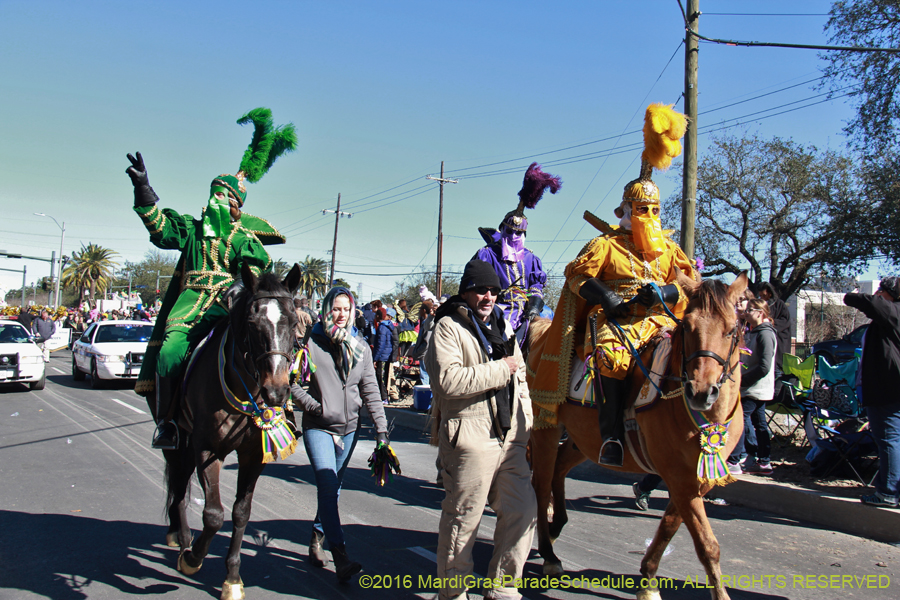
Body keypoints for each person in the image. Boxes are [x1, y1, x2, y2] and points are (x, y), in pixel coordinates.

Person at [529, 104, 696, 467]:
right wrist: (606, 296)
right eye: (640, 209)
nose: (647, 216)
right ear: (625, 210)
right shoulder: (605, 245)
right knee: (609, 358)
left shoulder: (670, 250)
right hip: (614, 323)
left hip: (660, 320)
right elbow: (576, 276)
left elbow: (688, 285)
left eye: (654, 210)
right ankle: (611, 437)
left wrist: (664, 293)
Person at [126, 107, 297, 449]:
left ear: (236, 205)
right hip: (190, 306)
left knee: (267, 344)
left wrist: (238, 292)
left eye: (222, 195)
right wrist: (145, 189)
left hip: (228, 307)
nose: (214, 200)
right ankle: (169, 422)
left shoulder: (244, 240)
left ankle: (280, 410)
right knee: (170, 352)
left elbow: (259, 276)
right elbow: (160, 229)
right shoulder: (190, 230)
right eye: (212, 193)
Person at [425, 259, 535, 600]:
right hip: (470, 437)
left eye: (493, 290)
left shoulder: (505, 327)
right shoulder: (448, 327)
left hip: (511, 438)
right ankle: (453, 592)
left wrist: (526, 425)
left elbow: (522, 380)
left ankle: (502, 585)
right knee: (463, 519)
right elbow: (447, 381)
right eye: (480, 290)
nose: (488, 296)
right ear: (466, 292)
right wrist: (500, 368)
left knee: (523, 510)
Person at [289, 287, 389, 581]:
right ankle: (340, 555)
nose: (341, 314)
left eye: (346, 309)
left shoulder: (361, 347)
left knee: (333, 490)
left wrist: (381, 431)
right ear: (326, 309)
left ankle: (317, 536)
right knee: (328, 485)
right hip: (319, 426)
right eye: (336, 308)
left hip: (349, 429)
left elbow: (370, 390)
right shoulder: (310, 343)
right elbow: (292, 382)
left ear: (353, 311)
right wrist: (314, 407)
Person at [473, 162, 559, 347]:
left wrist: (535, 304)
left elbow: (536, 284)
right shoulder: (488, 254)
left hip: (529, 308)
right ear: (502, 230)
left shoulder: (531, 258)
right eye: (510, 231)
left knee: (552, 321)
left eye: (519, 233)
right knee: (503, 326)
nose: (514, 236)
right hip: (499, 305)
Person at [844, 276, 900, 507]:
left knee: (888, 439)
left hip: (886, 388)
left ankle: (887, 492)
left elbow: (866, 302)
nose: (878, 294)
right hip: (888, 387)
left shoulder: (893, 311)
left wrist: (851, 296)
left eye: (881, 291)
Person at [727, 299, 777, 475]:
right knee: (759, 423)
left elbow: (764, 366)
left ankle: (734, 459)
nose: (745, 313)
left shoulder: (765, 334)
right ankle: (764, 462)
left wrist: (743, 380)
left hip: (755, 388)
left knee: (739, 420)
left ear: (761, 312)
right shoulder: (753, 332)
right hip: (751, 387)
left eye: (750, 310)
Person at [372, 307, 396, 403]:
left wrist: (375, 358)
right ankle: (385, 397)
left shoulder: (382, 327)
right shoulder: (389, 326)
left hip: (382, 356)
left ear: (378, 316)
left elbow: (380, 344)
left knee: (380, 376)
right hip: (388, 355)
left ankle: (383, 397)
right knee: (385, 377)